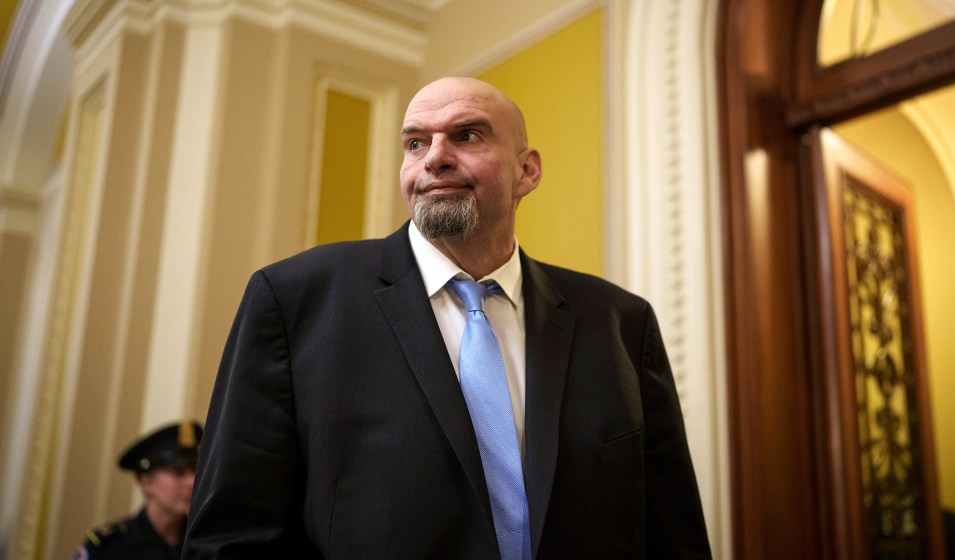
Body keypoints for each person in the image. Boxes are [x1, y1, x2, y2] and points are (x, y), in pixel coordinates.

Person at [183, 77, 711, 558]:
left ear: (527, 171)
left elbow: (672, 530)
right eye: (416, 143)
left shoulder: (620, 322)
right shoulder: (294, 300)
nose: (434, 158)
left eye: (467, 135)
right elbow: (232, 535)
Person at [73, 420, 203, 560]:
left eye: (195, 470)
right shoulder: (110, 548)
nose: (192, 482)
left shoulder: (205, 541)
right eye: (178, 472)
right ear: (147, 483)